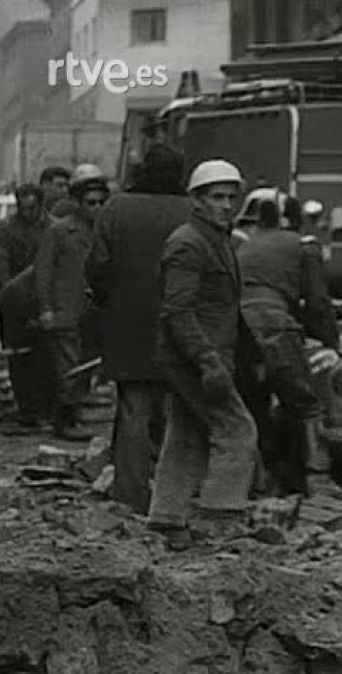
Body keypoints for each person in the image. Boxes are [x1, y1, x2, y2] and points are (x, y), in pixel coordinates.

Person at [148, 159, 258, 549]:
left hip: (197, 356)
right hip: (196, 358)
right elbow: (177, 311)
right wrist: (209, 362)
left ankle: (167, 518)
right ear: (197, 200)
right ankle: (220, 517)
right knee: (237, 430)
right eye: (217, 197)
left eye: (231, 197)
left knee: (185, 434)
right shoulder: (189, 243)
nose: (226, 205)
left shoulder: (215, 239)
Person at [87, 143, 191, 515]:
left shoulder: (117, 208)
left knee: (133, 409)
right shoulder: (191, 211)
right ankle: (173, 496)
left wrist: (106, 303)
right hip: (180, 327)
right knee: (177, 414)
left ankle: (130, 495)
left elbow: (98, 266)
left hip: (127, 325)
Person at [236, 197, 340, 496]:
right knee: (305, 404)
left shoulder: (246, 246)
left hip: (236, 327)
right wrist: (332, 343)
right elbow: (318, 302)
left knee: (251, 405)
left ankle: (254, 482)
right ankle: (318, 480)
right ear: (297, 221)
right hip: (275, 325)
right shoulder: (304, 246)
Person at [34, 165, 109, 441]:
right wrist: (45, 308)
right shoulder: (59, 232)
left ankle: (73, 413)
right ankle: (64, 420)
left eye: (101, 202)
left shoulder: (104, 233)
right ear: (77, 203)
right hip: (64, 309)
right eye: (91, 203)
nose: (97, 208)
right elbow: (43, 272)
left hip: (92, 312)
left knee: (85, 367)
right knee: (68, 367)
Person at [0, 184, 54, 429]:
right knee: (18, 356)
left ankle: (45, 407)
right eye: (23, 208)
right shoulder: (7, 230)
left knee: (46, 355)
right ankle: (27, 409)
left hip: (45, 299)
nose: (28, 213)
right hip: (15, 300)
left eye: (32, 208)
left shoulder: (53, 228)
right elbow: (3, 268)